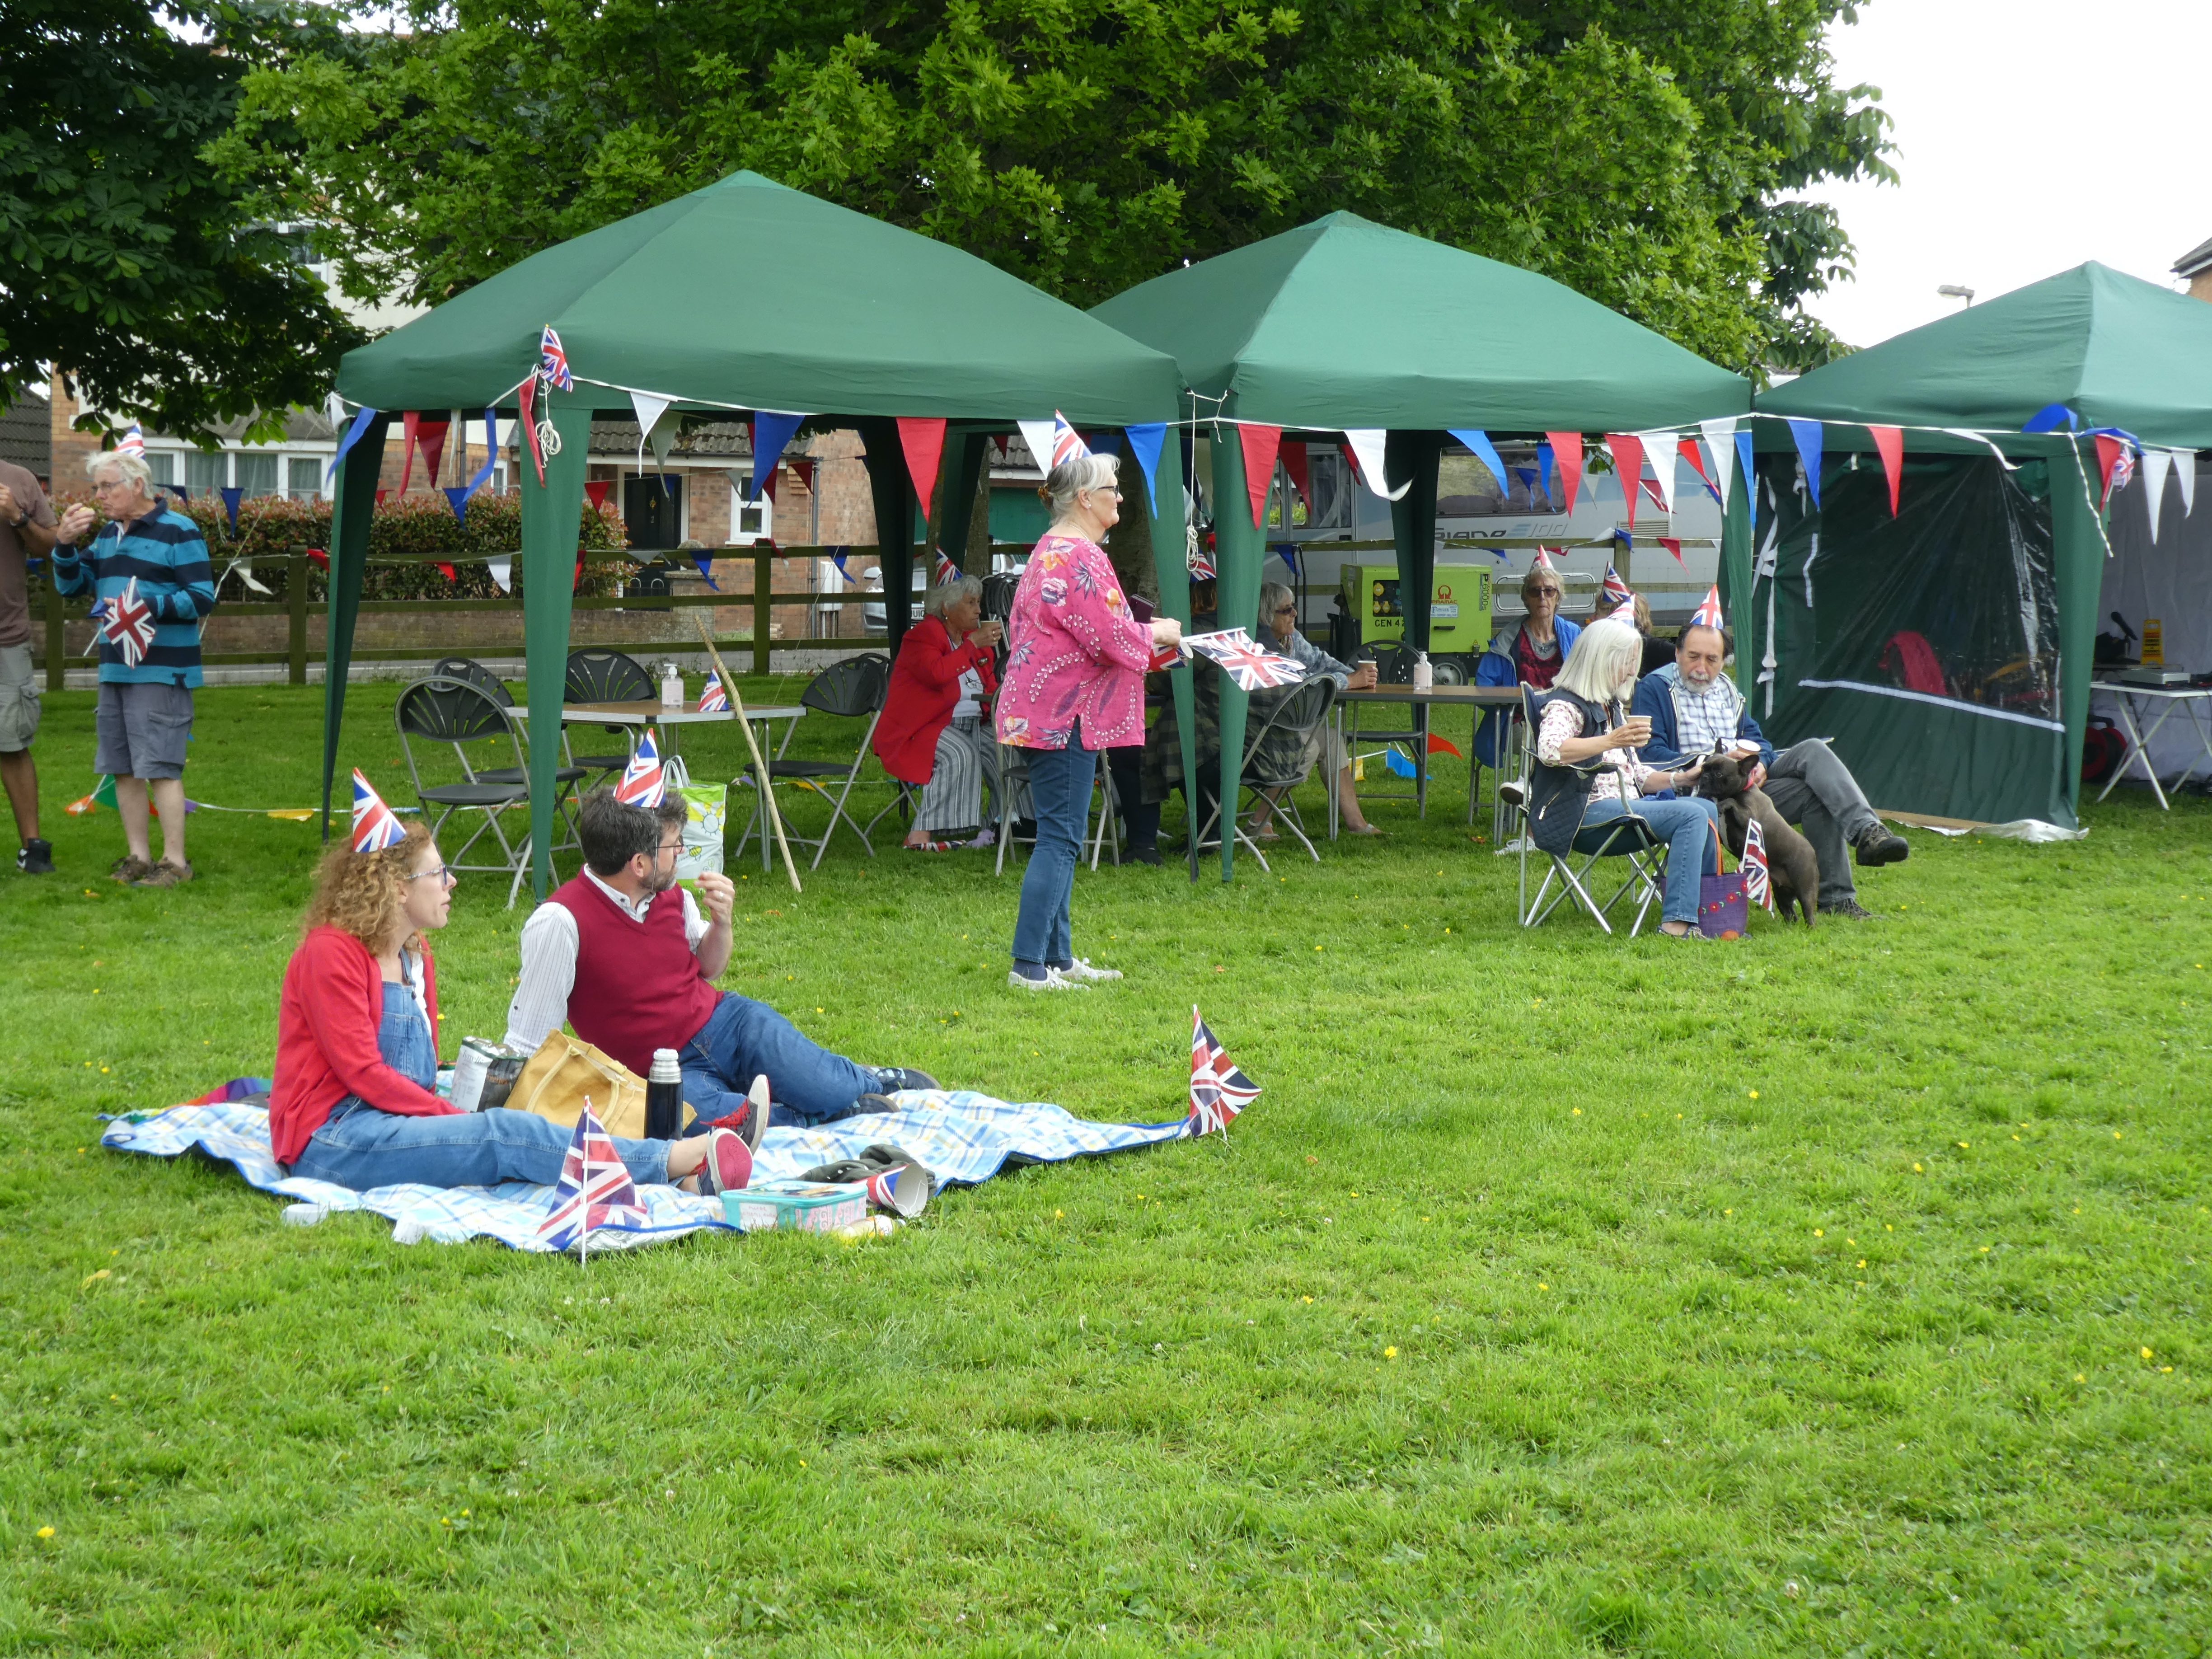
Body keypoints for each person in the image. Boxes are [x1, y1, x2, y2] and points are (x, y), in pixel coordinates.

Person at [274, 821, 755, 1197]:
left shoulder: (413, 956)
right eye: (439, 873)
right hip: (333, 1136)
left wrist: (454, 1105)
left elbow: (415, 1076)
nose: (452, 882)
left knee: (536, 1110)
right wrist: (448, 1118)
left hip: (395, 1119)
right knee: (502, 1136)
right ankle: (674, 1160)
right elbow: (364, 1074)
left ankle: (687, 1179)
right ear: (399, 888)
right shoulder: (330, 954)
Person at [504, 788, 935, 1128]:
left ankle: (868, 1082)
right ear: (638, 863)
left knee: (822, 1082)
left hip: (726, 1023)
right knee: (702, 1122)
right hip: (657, 1072)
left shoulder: (669, 892)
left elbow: (709, 968)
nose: (683, 855)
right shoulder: (560, 922)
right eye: (676, 846)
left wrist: (722, 922)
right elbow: (531, 1043)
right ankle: (819, 1115)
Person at [995, 449, 1181, 989]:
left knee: (1065, 834)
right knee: (1061, 836)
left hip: (1048, 708)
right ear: (1085, 499)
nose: (1120, 497)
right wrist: (1163, 634)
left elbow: (1097, 630)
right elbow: (1112, 638)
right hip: (1061, 714)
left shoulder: (1055, 549)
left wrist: (1150, 631)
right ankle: (1029, 966)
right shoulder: (1080, 557)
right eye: (1112, 489)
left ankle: (1058, 958)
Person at [1630, 620, 1908, 920]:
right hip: (1700, 791)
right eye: (1693, 656)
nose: (1702, 667)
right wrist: (1712, 761)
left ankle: (1865, 841)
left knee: (1814, 752)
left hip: (1747, 789)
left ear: (1723, 661)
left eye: (1712, 660)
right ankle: (1839, 889)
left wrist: (1760, 762)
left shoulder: (1726, 690)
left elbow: (1760, 741)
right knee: (1813, 791)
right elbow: (1649, 753)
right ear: (1677, 653)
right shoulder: (1655, 689)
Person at [51, 449, 215, 887]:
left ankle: (175, 863)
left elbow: (201, 597)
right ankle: (139, 858)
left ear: (138, 485)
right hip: (116, 669)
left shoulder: (180, 531)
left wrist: (143, 605)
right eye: (97, 488)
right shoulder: (108, 536)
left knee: (160, 766)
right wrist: (63, 544)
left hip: (162, 671)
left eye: (109, 486)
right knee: (122, 767)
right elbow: (71, 586)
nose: (100, 496)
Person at [1528, 619, 1719, 940]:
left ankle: (1708, 913)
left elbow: (1635, 775)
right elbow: (1550, 750)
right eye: (1627, 662)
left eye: (1634, 661)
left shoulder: (1609, 705)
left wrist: (1681, 778)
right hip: (1584, 816)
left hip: (1622, 808)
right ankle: (1676, 925)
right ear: (1602, 659)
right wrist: (1611, 741)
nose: (1633, 670)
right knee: (1691, 814)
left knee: (1704, 808)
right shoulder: (1567, 704)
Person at [873, 574, 1007, 850]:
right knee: (962, 754)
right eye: (971, 603)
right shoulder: (923, 636)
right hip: (922, 728)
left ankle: (1001, 825)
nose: (979, 610)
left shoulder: (972, 639)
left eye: (979, 602)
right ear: (947, 608)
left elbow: (990, 684)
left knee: (1008, 751)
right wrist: (972, 647)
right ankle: (920, 834)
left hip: (975, 722)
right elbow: (936, 674)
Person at [1244, 580, 1383, 838]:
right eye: (1286, 610)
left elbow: (1318, 661)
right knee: (1311, 748)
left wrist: (1352, 674)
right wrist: (1350, 682)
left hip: (1287, 726)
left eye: (1293, 607)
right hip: (1259, 732)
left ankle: (1357, 824)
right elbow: (1302, 686)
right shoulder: (1259, 647)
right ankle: (1259, 822)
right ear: (1266, 615)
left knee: (1331, 739)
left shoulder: (1291, 638)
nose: (1294, 614)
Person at [0, 455, 58, 875]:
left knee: (12, 744)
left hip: (6, 637)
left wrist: (17, 517)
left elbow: (52, 547)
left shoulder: (18, 479)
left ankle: (33, 850)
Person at [1473, 562, 1584, 768]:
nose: (1542, 597)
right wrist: (1520, 695)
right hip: (1517, 720)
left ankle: (1535, 790)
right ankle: (1529, 788)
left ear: (1558, 597)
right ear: (1526, 599)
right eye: (1535, 591)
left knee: (1570, 738)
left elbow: (1589, 679)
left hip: (1566, 719)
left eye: (1549, 591)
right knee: (1538, 737)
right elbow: (1483, 687)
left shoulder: (1574, 635)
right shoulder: (1507, 639)